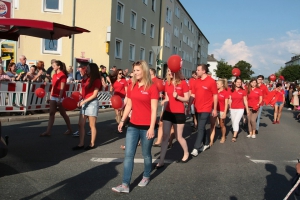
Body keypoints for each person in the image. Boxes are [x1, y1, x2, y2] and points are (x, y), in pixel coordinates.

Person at [112, 60, 158, 193]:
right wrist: (122, 121)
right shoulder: (132, 85)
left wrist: (151, 127)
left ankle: (146, 175)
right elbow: (129, 105)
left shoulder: (152, 87)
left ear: (143, 70)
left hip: (147, 127)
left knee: (146, 154)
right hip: (133, 126)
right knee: (128, 155)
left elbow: (155, 110)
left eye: (138, 70)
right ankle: (125, 184)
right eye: (134, 70)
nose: (135, 73)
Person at [156, 68, 190, 169]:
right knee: (165, 136)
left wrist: (178, 97)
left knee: (178, 137)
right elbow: (167, 98)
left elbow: (187, 98)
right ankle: (161, 160)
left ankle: (186, 153)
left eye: (172, 71)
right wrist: (162, 113)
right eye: (168, 72)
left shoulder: (183, 83)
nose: (170, 73)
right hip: (168, 112)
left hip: (179, 113)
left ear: (177, 72)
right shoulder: (167, 83)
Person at [188, 64, 218, 157]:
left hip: (206, 108)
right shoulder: (196, 81)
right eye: (197, 70)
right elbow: (193, 94)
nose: (196, 71)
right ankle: (206, 143)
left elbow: (215, 95)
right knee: (202, 127)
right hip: (197, 107)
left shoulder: (211, 81)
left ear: (204, 71)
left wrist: (215, 109)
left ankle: (196, 148)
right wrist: (189, 106)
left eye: (198, 70)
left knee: (200, 127)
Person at [73, 63, 101, 150]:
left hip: (92, 103)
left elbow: (94, 94)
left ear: (92, 69)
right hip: (84, 102)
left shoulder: (96, 80)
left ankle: (92, 144)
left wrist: (83, 101)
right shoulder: (85, 78)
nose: (86, 69)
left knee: (92, 125)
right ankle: (81, 143)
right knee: (80, 124)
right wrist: (79, 98)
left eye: (88, 68)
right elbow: (82, 90)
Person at [40, 60, 72, 136]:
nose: (53, 66)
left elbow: (62, 88)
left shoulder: (62, 75)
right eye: (52, 65)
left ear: (59, 66)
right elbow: (53, 86)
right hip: (54, 96)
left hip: (60, 97)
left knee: (63, 113)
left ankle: (70, 129)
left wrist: (59, 99)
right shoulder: (54, 75)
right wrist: (51, 96)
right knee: (51, 113)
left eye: (54, 65)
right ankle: (48, 131)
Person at [229, 77, 249, 142]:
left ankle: (234, 136)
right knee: (233, 121)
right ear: (234, 83)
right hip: (232, 108)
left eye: (240, 82)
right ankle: (235, 130)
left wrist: (247, 109)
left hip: (240, 108)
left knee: (236, 122)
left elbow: (245, 101)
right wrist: (229, 107)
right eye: (237, 82)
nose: (238, 83)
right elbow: (229, 99)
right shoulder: (231, 90)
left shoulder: (243, 91)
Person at [210, 78, 229, 145]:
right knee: (212, 124)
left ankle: (223, 136)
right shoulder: (214, 91)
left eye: (217, 84)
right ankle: (211, 140)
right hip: (214, 110)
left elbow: (226, 104)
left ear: (222, 85)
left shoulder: (225, 93)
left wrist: (225, 113)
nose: (216, 85)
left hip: (221, 110)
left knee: (222, 125)